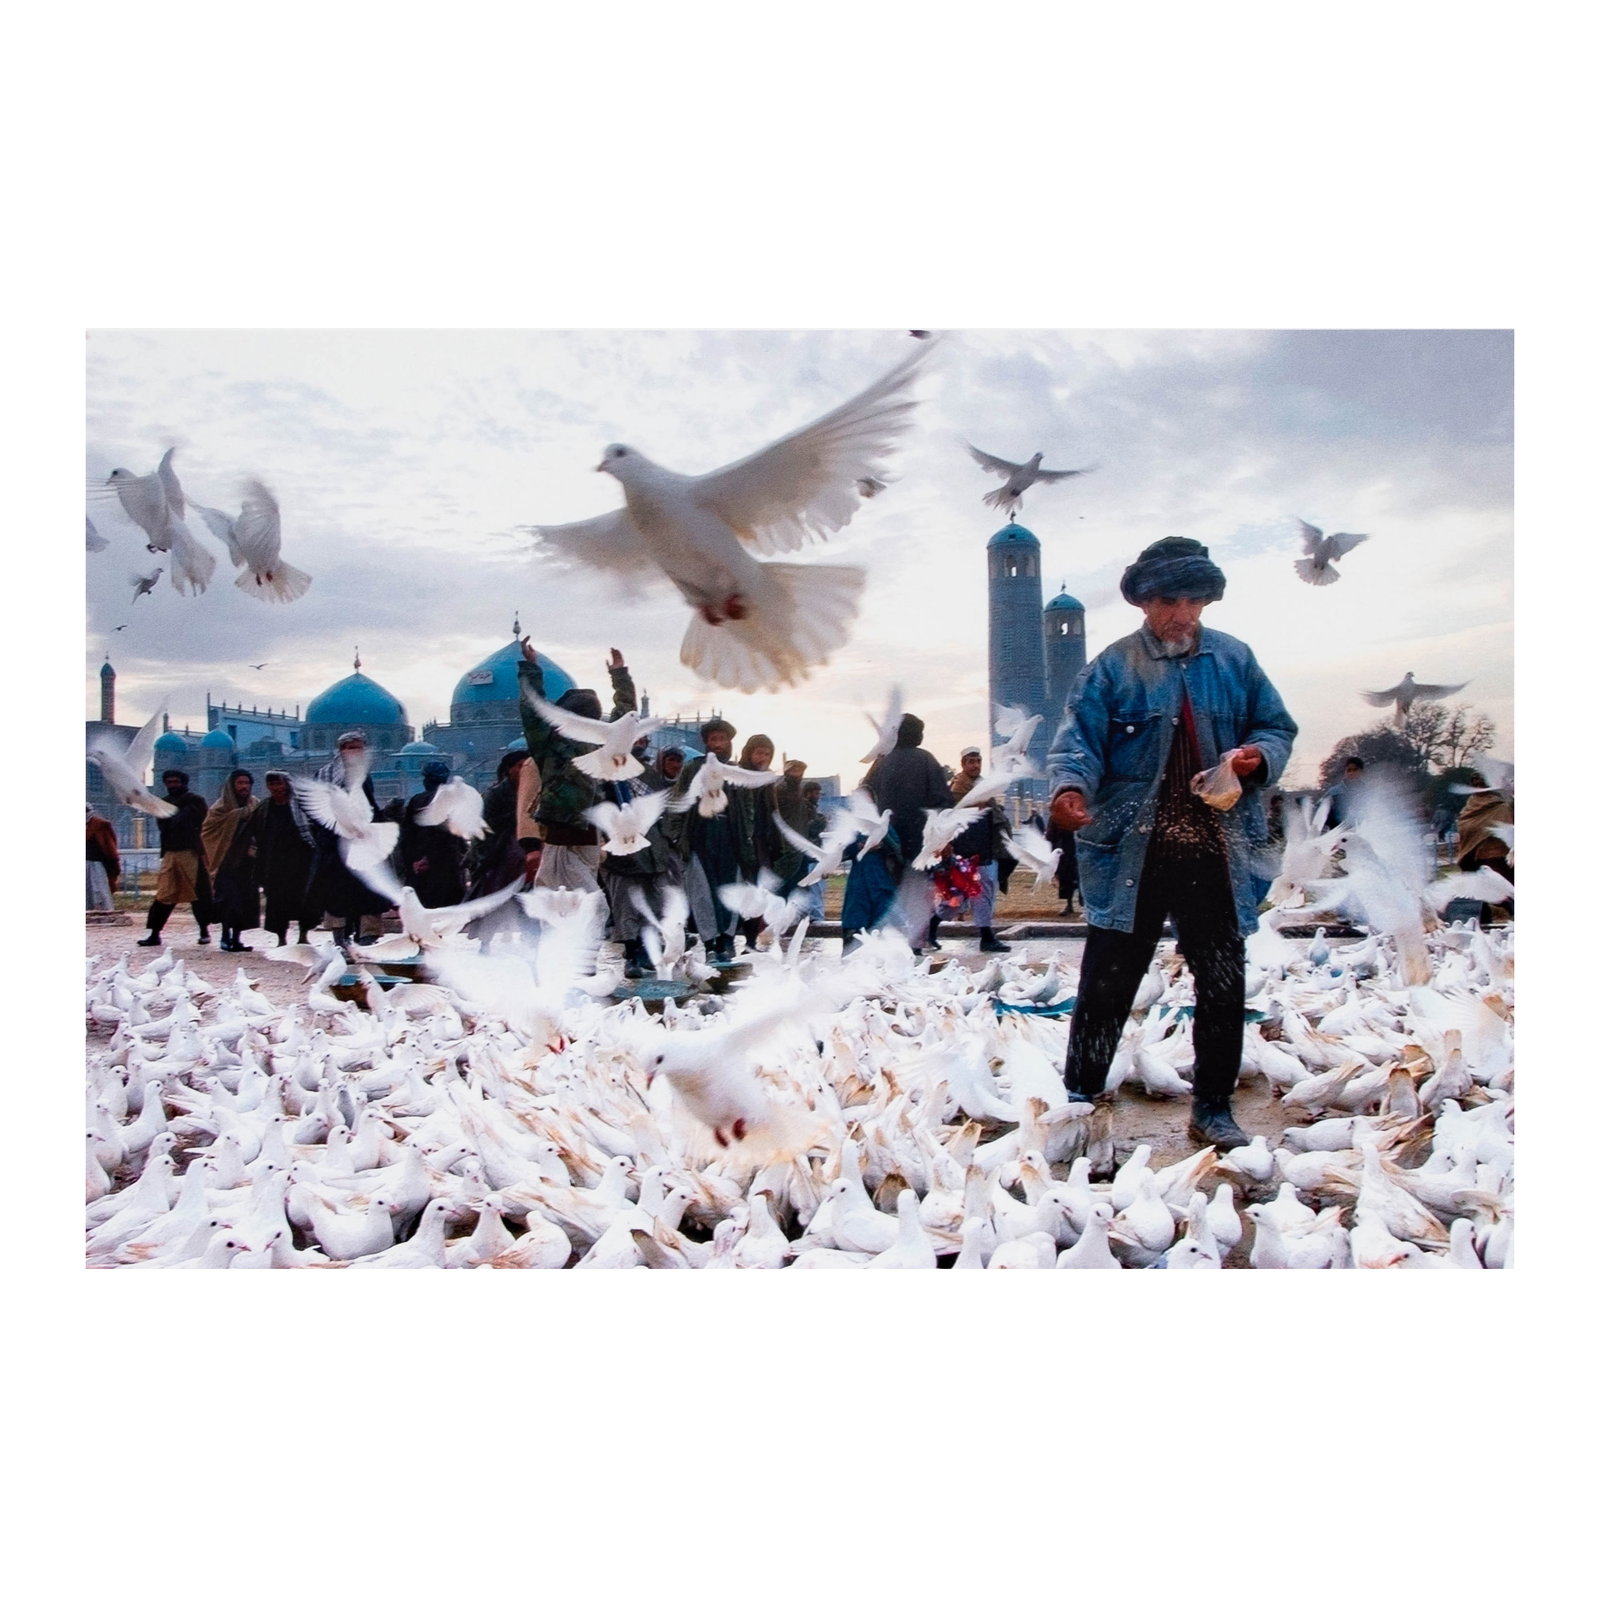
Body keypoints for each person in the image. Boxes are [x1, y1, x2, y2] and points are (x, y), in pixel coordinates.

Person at [1046, 535, 1297, 1151]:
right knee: (1108, 980)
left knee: (1221, 980)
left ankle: (1213, 1109)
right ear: (1142, 602)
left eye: (1193, 601)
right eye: (1168, 602)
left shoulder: (1235, 660)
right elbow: (1077, 742)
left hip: (1216, 847)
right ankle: (1081, 1098)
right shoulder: (1112, 668)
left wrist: (1257, 755)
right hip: (1133, 849)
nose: (1182, 614)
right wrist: (1070, 788)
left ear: (1207, 601)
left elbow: (1276, 726)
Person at [519, 640, 637, 894]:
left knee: (564, 892)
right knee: (571, 893)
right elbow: (625, 714)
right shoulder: (555, 744)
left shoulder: (563, 744)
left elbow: (532, 713)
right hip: (569, 829)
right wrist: (619, 675)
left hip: (577, 827)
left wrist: (531, 668)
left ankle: (580, 919)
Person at [862, 711, 953, 952]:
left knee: (892, 893)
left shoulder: (882, 763)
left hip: (889, 842)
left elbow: (864, 795)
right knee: (918, 894)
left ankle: (891, 944)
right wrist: (943, 837)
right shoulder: (926, 760)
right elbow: (943, 802)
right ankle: (914, 945)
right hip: (920, 841)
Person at [599, 737, 681, 979]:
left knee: (652, 905)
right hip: (623, 850)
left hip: (654, 849)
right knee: (626, 906)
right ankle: (631, 955)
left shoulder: (652, 775)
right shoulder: (607, 772)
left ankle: (646, 952)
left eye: (643, 739)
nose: (640, 742)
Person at [665, 717, 744, 961]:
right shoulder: (693, 768)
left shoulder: (736, 772)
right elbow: (677, 803)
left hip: (730, 839)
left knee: (730, 890)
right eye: (713, 739)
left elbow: (746, 811)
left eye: (722, 739)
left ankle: (727, 940)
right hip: (700, 837)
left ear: (729, 742)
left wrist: (747, 842)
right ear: (706, 743)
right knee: (702, 892)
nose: (718, 744)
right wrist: (678, 839)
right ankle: (710, 943)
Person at [303, 730, 391, 945]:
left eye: (359, 748)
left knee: (368, 889)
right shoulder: (326, 775)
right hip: (335, 845)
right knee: (337, 893)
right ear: (341, 750)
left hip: (360, 843)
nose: (355, 753)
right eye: (351, 748)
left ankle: (366, 937)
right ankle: (341, 941)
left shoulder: (362, 775)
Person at [137, 769, 214, 947]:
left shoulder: (194, 801)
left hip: (191, 852)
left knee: (199, 894)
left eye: (176, 782)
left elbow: (197, 821)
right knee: (164, 894)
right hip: (171, 852)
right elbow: (164, 825)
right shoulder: (163, 802)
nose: (172, 785)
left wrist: (178, 816)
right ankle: (154, 933)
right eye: (169, 782)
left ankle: (204, 931)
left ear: (183, 783)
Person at [948, 746, 1013, 954]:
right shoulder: (958, 788)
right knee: (953, 899)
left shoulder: (983, 785)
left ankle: (987, 937)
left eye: (978, 761)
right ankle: (929, 929)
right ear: (963, 764)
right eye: (971, 762)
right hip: (967, 851)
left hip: (985, 850)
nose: (975, 765)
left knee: (984, 893)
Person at [245, 770, 315, 945]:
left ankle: (303, 935)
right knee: (277, 902)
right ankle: (281, 938)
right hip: (274, 863)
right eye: (272, 784)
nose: (276, 788)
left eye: (279, 783)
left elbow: (312, 830)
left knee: (303, 900)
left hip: (300, 862)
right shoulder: (264, 808)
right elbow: (254, 831)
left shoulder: (300, 806)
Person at [201, 768, 261, 952]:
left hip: (248, 863)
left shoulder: (255, 805)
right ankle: (225, 937)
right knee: (229, 902)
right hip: (226, 863)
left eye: (247, 783)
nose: (244, 787)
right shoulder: (220, 809)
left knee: (245, 902)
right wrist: (235, 817)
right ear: (232, 785)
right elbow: (207, 832)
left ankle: (237, 938)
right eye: (240, 783)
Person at [467, 749, 537, 898]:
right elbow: (485, 826)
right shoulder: (495, 794)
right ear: (508, 770)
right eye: (519, 766)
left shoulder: (535, 793)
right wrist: (519, 814)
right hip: (499, 850)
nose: (524, 771)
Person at [401, 760, 469, 907]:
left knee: (428, 905)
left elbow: (408, 836)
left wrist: (416, 859)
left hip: (426, 864)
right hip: (450, 863)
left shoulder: (418, 801)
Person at [1455, 772, 1513, 922]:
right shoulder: (1476, 807)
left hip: (1487, 856)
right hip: (1485, 856)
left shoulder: (1494, 806)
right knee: (1488, 893)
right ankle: (1483, 921)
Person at [86, 804, 121, 912]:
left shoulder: (100, 824)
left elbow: (109, 847)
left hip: (96, 863)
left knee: (99, 891)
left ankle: (104, 911)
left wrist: (113, 863)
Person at [1324, 756, 1364, 828]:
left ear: (1361, 772)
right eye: (1349, 770)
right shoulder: (1334, 792)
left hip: (1362, 831)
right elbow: (1321, 812)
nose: (1351, 773)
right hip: (1337, 831)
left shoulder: (1368, 791)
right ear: (1345, 772)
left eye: (1355, 770)